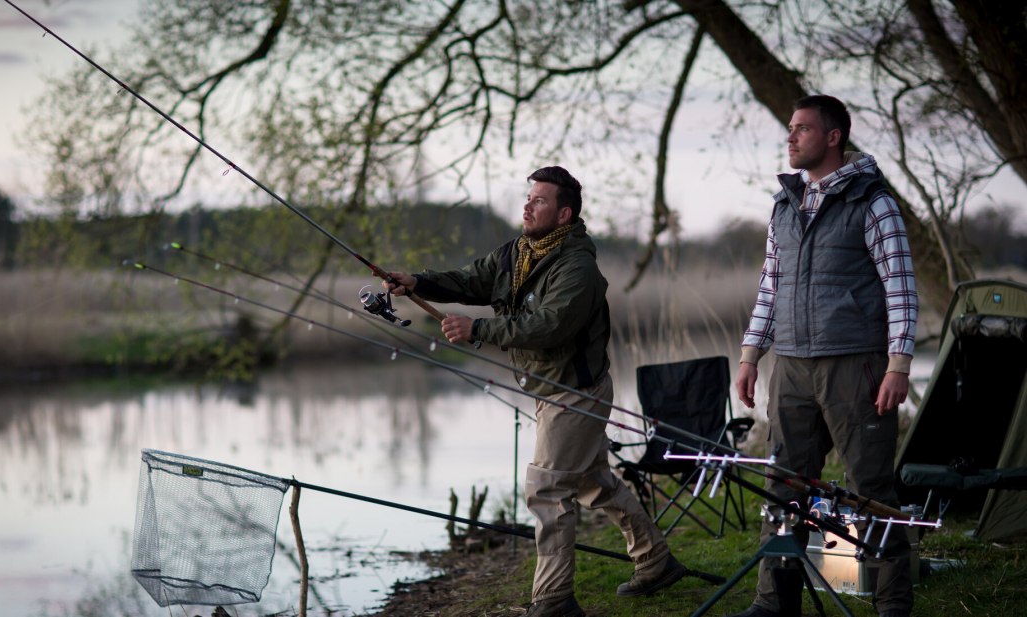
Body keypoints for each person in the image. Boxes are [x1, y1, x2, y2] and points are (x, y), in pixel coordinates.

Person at [384, 166, 687, 617]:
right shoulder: (518, 252)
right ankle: (656, 562)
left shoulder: (578, 267)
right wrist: (418, 283)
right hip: (549, 387)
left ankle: (553, 601)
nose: (527, 206)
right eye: (528, 198)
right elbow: (472, 280)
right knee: (591, 482)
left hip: (576, 390)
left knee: (547, 489)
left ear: (564, 214)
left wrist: (479, 329)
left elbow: (548, 326)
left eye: (539, 200)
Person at [731, 95, 918, 617]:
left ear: (833, 137)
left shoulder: (873, 202)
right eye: (790, 129)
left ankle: (892, 604)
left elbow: (901, 289)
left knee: (871, 487)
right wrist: (751, 355)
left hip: (854, 365)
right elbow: (770, 285)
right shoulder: (783, 205)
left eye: (802, 129)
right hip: (789, 366)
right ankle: (775, 601)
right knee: (783, 485)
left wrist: (898, 365)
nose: (790, 138)